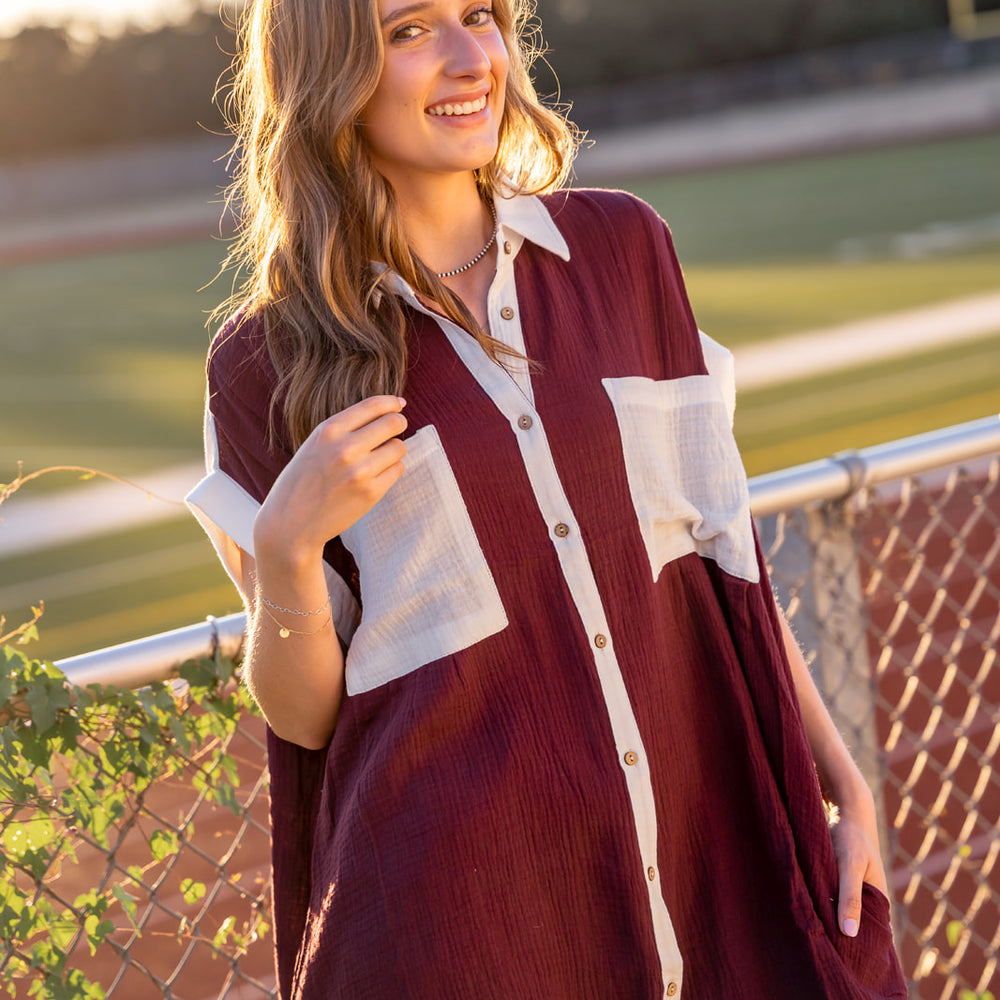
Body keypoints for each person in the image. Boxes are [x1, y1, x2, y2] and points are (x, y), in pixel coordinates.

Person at [186, 0, 908, 996]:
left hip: (719, 882)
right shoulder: (264, 363)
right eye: (407, 31)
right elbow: (306, 717)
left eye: (477, 15)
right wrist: (284, 549)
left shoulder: (624, 251)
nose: (465, 57)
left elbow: (719, 552)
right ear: (326, 74)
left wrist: (841, 785)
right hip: (472, 928)